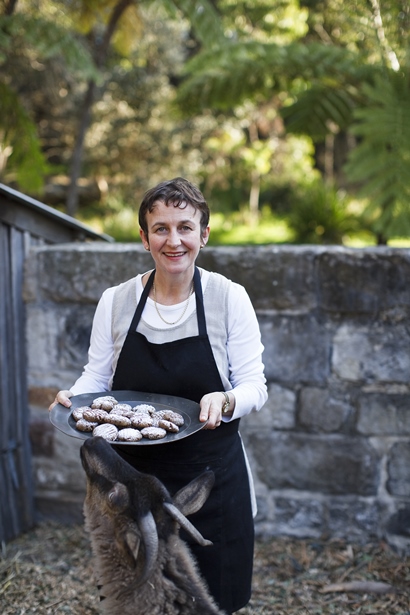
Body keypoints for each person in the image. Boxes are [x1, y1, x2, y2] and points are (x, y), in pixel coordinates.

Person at [49, 177, 268, 614]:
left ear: (203, 234)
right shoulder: (116, 301)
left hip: (211, 479)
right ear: (144, 236)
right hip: (135, 485)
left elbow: (254, 386)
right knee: (142, 597)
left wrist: (225, 401)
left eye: (185, 227)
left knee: (214, 599)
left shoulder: (228, 299)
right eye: (161, 228)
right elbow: (97, 375)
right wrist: (72, 396)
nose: (174, 241)